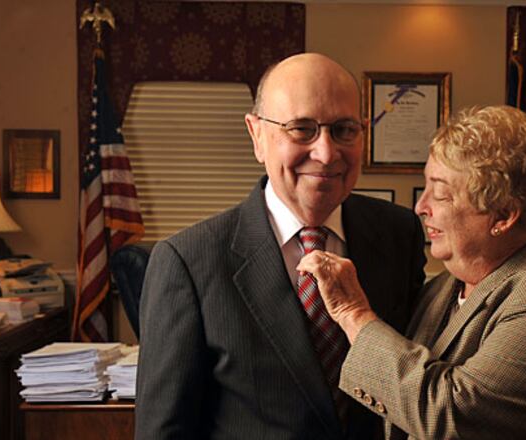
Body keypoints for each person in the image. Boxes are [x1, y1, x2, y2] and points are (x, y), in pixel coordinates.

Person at [135, 53, 426, 439]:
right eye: (302, 129)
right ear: (257, 136)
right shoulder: (187, 261)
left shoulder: (398, 233)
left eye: (343, 130)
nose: (326, 153)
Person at [299, 105, 526, 439]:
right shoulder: (445, 286)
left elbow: (452, 415)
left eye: (440, 194)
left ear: (503, 215)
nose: (421, 207)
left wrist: (353, 314)